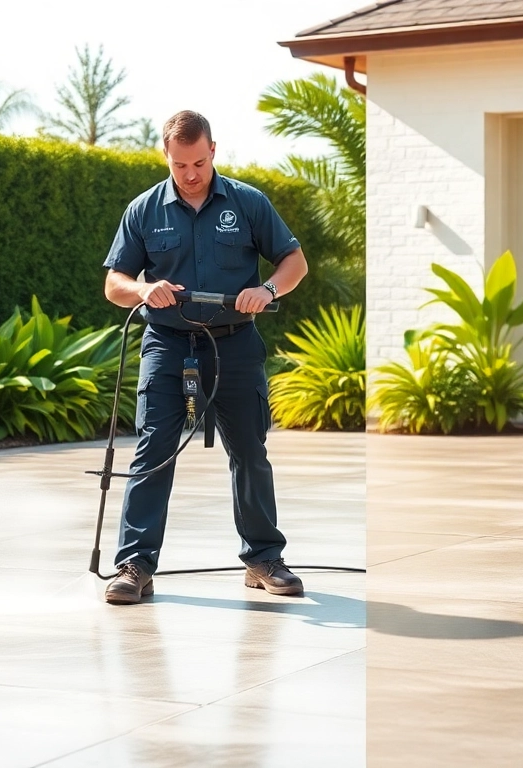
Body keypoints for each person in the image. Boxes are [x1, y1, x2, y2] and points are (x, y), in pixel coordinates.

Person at [100, 110, 309, 605]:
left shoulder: (248, 203)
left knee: (250, 452)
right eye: (179, 165)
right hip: (169, 346)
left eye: (197, 162)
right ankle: (135, 565)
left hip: (235, 344)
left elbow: (294, 261)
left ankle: (263, 559)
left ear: (213, 150)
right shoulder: (144, 210)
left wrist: (267, 288)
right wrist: (144, 289)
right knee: (153, 452)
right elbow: (114, 284)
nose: (190, 174)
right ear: (165, 157)